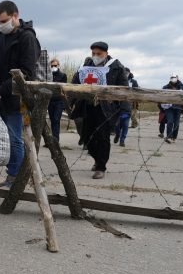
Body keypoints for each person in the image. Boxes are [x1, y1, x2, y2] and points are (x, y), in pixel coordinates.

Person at [0, 0, 39, 188]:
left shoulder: (27, 38)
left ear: (15, 16)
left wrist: (2, 89)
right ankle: (12, 172)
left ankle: (15, 177)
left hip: (14, 98)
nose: (0, 25)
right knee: (0, 136)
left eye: (3, 21)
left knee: (13, 138)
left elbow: (26, 72)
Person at [70, 41, 129, 179]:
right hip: (87, 106)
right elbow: (74, 83)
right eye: (93, 53)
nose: (96, 56)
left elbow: (124, 88)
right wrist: (70, 101)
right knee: (86, 136)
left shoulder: (116, 67)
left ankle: (101, 167)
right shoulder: (85, 66)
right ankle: (97, 158)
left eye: (99, 54)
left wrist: (124, 108)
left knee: (102, 137)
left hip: (107, 109)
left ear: (106, 54)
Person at [113, 67, 136, 147]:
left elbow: (137, 93)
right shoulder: (117, 80)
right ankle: (117, 135)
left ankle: (122, 140)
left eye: (127, 73)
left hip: (127, 106)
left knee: (125, 125)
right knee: (117, 125)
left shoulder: (133, 82)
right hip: (117, 106)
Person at [162, 74, 183, 143]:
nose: (173, 79)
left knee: (176, 124)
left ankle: (174, 137)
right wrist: (161, 108)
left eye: (175, 78)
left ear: (177, 78)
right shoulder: (166, 87)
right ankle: (168, 137)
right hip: (169, 107)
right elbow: (161, 96)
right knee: (170, 122)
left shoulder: (181, 86)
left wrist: (180, 83)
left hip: (178, 108)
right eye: (172, 78)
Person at [48, 58, 68, 141]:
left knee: (56, 119)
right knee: (52, 120)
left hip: (59, 101)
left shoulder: (63, 75)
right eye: (52, 66)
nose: (53, 67)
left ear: (58, 65)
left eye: (55, 65)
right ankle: (53, 138)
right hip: (50, 100)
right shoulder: (48, 76)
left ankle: (55, 139)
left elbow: (64, 89)